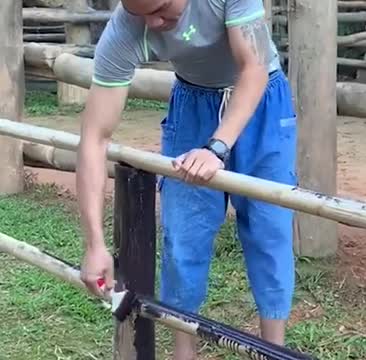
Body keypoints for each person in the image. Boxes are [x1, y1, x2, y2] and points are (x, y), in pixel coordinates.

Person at [75, 0, 297, 358]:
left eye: (162, 8)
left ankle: (275, 350)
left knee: (269, 229)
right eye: (140, 14)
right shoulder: (126, 29)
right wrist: (94, 244)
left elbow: (253, 68)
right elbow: (94, 138)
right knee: (182, 237)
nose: (153, 22)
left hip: (262, 100)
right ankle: (183, 352)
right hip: (192, 104)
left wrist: (217, 147)